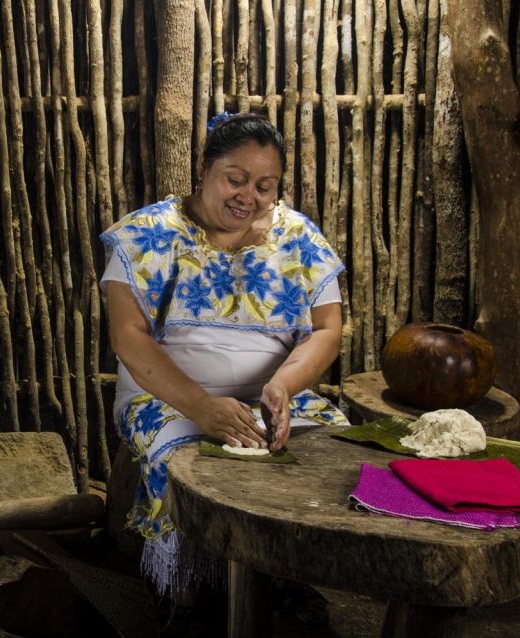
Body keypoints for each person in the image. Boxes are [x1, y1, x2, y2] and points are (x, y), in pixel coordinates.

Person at [100, 112, 349, 603]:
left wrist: (284, 386)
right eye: (235, 179)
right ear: (204, 168)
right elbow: (128, 338)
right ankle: (195, 588)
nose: (248, 196)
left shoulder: (297, 238)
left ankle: (284, 573)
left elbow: (327, 329)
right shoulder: (148, 233)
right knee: (187, 466)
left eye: (264, 185)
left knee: (329, 448)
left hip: (270, 395)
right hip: (168, 398)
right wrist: (200, 406)